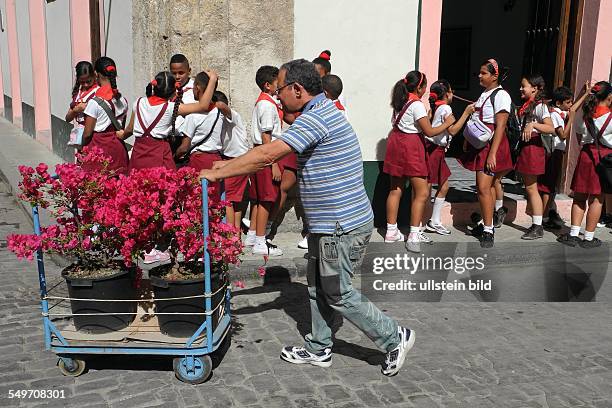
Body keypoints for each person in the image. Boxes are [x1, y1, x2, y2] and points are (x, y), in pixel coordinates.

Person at [201, 59, 414, 377]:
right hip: (327, 223)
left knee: (337, 292)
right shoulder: (319, 112)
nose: (277, 96)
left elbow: (267, 154)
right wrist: (221, 169)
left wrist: (218, 171)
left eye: (281, 89)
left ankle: (394, 336)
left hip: (340, 226)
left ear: (297, 90)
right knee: (316, 287)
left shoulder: (317, 119)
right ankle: (319, 347)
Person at [383, 71, 454, 252]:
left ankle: (391, 231)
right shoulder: (416, 105)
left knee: (395, 189)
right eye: (424, 86)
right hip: (411, 146)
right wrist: (448, 123)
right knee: (422, 192)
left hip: (395, 145)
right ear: (420, 87)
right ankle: (413, 235)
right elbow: (429, 132)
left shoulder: (400, 102)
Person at [458, 59, 514, 248]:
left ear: (494, 76)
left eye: (484, 73)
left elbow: (501, 126)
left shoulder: (501, 95)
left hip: (491, 145)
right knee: (486, 188)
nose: (480, 76)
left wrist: (493, 154)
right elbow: (476, 119)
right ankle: (486, 224)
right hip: (480, 144)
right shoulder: (484, 94)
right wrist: (468, 139)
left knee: (483, 187)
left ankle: (488, 230)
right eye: (479, 73)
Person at [121, 70, 218, 172]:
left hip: (139, 154)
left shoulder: (139, 102)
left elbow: (129, 130)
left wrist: (121, 135)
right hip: (159, 155)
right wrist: (212, 80)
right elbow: (203, 106)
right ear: (173, 92)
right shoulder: (170, 108)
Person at [558, 81, 612, 248]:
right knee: (597, 199)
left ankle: (573, 234)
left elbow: (578, 134)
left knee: (580, 196)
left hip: (586, 155)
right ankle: (588, 238)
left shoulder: (585, 114)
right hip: (605, 157)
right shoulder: (610, 117)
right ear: (609, 98)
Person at [425, 80, 475, 235]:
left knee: (442, 186)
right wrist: (466, 113)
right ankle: (426, 222)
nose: (453, 94)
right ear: (446, 94)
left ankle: (434, 220)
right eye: (452, 91)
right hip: (435, 150)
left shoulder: (436, 107)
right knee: (429, 189)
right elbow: (452, 130)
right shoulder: (446, 107)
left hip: (434, 150)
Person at [538, 84, 590, 229]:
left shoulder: (560, 112)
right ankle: (544, 217)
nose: (570, 104)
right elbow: (563, 135)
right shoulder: (555, 115)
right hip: (553, 153)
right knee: (548, 186)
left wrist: (585, 94)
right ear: (558, 103)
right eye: (567, 102)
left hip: (557, 152)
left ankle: (545, 215)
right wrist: (572, 119)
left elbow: (573, 109)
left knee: (551, 185)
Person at [245, 66, 283, 256]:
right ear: (268, 85)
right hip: (268, 155)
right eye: (277, 83)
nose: (280, 86)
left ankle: (253, 235)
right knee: (267, 199)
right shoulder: (267, 106)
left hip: (260, 153)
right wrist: (274, 163)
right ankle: (261, 241)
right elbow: (266, 135)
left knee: (260, 199)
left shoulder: (263, 102)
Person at [515, 75, 556, 240]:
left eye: (523, 86)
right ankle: (536, 224)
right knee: (530, 188)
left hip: (533, 150)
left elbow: (551, 128)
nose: (520, 88)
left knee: (532, 188)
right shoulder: (528, 106)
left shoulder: (540, 107)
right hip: (527, 149)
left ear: (535, 88)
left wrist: (533, 125)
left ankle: (537, 226)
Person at [173, 71, 226, 200]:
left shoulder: (193, 116)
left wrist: (174, 157)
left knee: (198, 201)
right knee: (214, 201)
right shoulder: (220, 111)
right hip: (217, 159)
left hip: (199, 160)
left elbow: (185, 147)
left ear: (197, 88)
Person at [81, 57, 130, 175]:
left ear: (96, 75)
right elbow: (120, 127)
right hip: (118, 150)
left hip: (99, 151)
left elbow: (87, 134)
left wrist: (82, 148)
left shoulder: (94, 103)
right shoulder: (122, 100)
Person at [216, 91, 251, 231]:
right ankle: (236, 232)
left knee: (227, 198)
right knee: (236, 200)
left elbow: (222, 107)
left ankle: (230, 232)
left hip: (235, 159)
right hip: (238, 159)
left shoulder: (231, 115)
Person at [66, 61, 99, 129]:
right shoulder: (78, 92)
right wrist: (75, 110)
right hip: (80, 129)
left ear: (94, 75)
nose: (85, 84)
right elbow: (67, 118)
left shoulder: (98, 91)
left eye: (88, 81)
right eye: (82, 82)